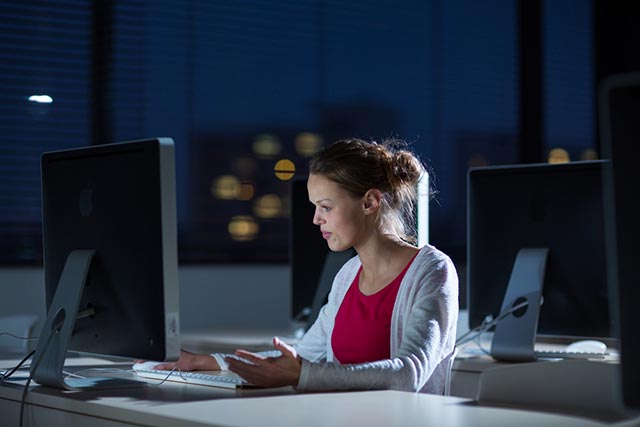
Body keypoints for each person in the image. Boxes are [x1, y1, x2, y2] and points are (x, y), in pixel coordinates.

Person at [150, 138, 459, 394]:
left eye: (326, 207)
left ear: (369, 202)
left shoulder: (432, 270)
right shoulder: (348, 276)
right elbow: (305, 356)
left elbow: (409, 373)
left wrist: (302, 376)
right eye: (315, 207)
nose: (316, 219)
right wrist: (209, 362)